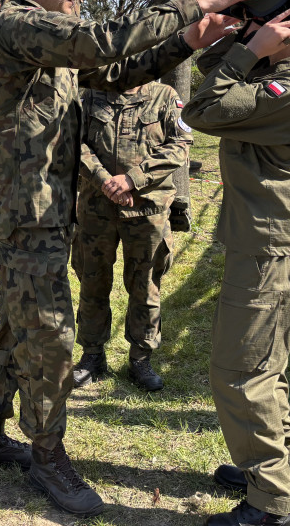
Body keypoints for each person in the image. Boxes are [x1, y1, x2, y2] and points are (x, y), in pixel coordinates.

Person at [0, 0, 274, 517]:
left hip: (42, 211)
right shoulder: (14, 25)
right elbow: (97, 43)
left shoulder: (46, 44)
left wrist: (187, 39)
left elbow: (117, 71)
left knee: (15, 320)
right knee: (52, 334)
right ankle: (48, 456)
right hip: (26, 214)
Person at [181, 11, 290, 526]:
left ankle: (271, 503)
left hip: (268, 250)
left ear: (287, 30)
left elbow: (201, 109)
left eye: (260, 23)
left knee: (240, 375)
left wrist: (251, 47)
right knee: (265, 369)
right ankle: (282, 471)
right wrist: (235, 37)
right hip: (271, 243)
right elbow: (214, 71)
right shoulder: (286, 80)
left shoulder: (288, 91)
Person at [70, 79, 192, 392]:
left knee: (145, 285)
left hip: (148, 209)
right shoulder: (91, 94)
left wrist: (132, 180)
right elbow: (74, 141)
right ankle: (92, 356)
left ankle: (140, 359)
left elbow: (179, 146)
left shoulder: (166, 97)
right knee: (92, 281)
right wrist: (105, 182)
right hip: (97, 207)